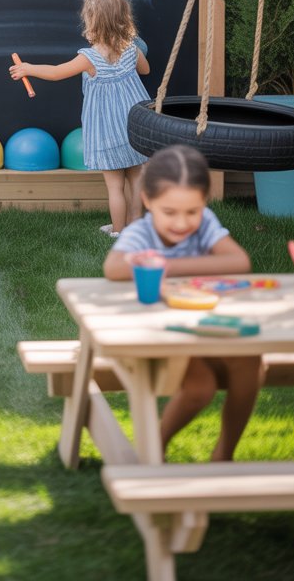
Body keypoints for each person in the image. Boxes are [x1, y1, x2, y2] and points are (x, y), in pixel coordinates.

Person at [104, 144, 261, 462]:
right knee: (200, 388)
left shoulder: (204, 225)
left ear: (203, 203)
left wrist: (167, 267)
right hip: (160, 335)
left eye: (192, 211)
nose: (181, 223)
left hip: (202, 328)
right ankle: (155, 447)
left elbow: (239, 261)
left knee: (252, 361)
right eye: (170, 212)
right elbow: (114, 268)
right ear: (148, 201)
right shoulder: (142, 232)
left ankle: (224, 454)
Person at [9, 0, 150, 236]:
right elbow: (145, 70)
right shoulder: (132, 50)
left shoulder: (90, 57)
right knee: (137, 179)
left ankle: (118, 231)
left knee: (115, 186)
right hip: (135, 124)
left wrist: (28, 68)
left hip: (109, 131)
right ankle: (136, 228)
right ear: (123, 19)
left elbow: (56, 72)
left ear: (93, 22)